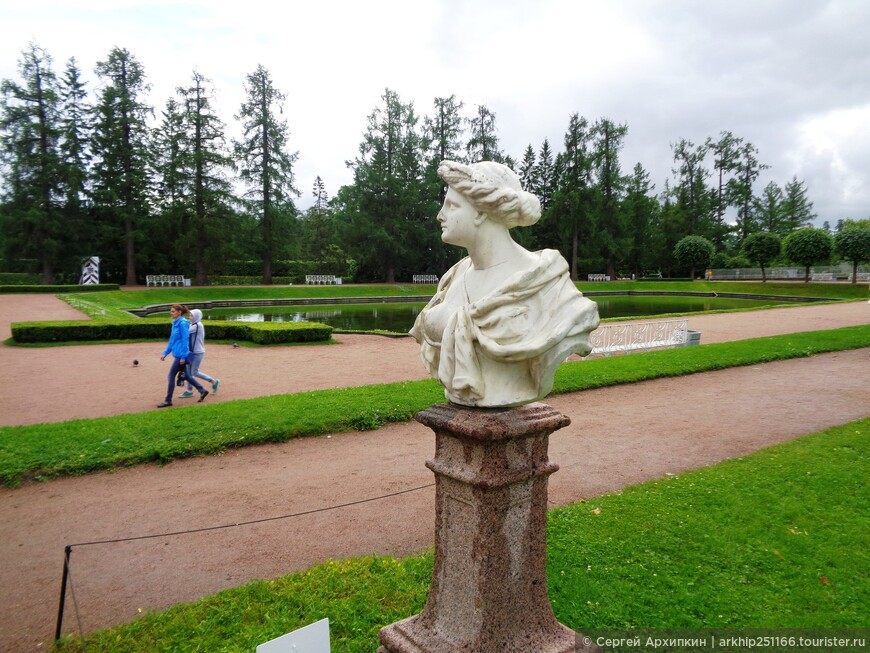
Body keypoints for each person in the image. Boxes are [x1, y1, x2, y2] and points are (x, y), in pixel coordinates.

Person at [410, 160, 600, 408]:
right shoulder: (454, 277)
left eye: (452, 206)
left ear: (480, 212)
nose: (440, 216)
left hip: (512, 395)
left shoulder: (548, 285)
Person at [158, 304, 209, 407]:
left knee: (171, 376)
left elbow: (185, 340)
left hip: (181, 355)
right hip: (178, 354)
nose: (171, 313)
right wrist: (165, 353)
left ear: (179, 312)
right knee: (187, 375)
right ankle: (202, 390)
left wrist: (183, 356)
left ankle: (168, 400)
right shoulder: (175, 323)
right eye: (171, 311)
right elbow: (172, 341)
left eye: (173, 311)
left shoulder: (182, 324)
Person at [179, 308, 220, 398]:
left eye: (191, 315)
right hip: (192, 352)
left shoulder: (198, 325)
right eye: (190, 315)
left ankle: (213, 381)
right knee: (188, 372)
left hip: (198, 352)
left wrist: (179, 322)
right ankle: (189, 391)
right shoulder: (193, 324)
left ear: (196, 317)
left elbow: (185, 332)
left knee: (194, 372)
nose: (189, 317)